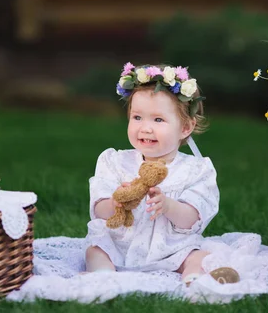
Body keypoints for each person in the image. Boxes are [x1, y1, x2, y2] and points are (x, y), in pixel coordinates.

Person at [84, 63, 239, 285]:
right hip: (120, 245)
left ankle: (195, 280)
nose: (145, 127)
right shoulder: (114, 161)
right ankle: (102, 277)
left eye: (158, 120)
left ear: (185, 128)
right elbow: (98, 209)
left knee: (198, 256)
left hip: (172, 249)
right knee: (95, 249)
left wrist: (168, 206)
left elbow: (192, 219)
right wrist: (115, 202)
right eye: (137, 117)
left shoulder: (196, 170)